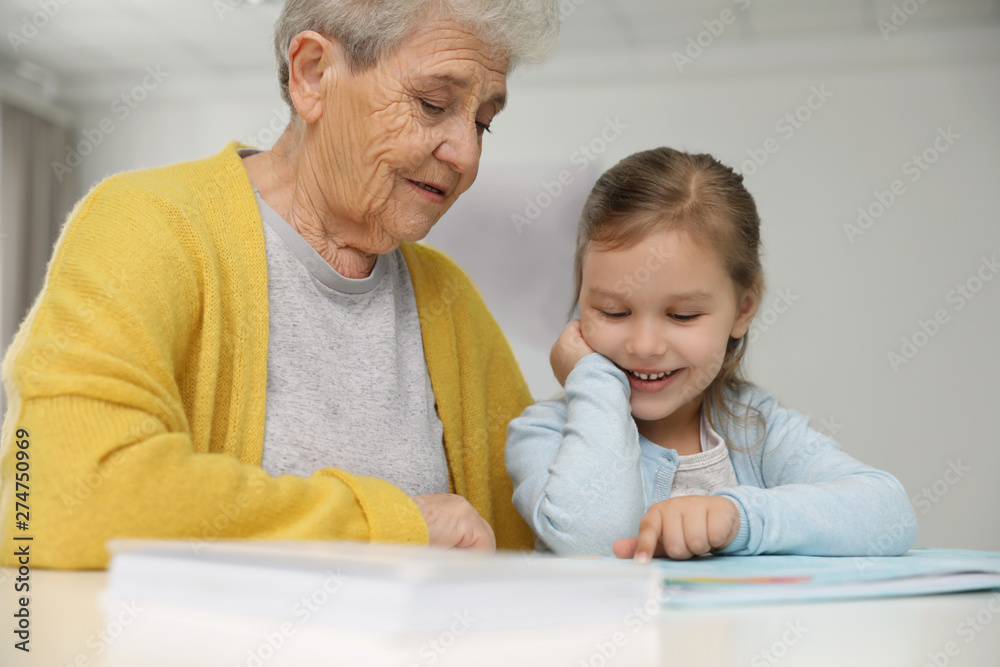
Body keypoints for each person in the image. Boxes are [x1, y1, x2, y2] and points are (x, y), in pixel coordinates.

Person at [0, 0, 560, 569]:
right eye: (433, 103)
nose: (466, 153)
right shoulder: (145, 224)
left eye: (483, 121)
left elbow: (535, 544)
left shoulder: (450, 300)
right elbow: (63, 501)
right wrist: (392, 527)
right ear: (313, 74)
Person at [505, 147, 918, 562]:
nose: (644, 346)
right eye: (613, 311)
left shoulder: (756, 431)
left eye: (682, 315)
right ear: (580, 302)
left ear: (742, 309)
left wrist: (736, 516)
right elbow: (594, 542)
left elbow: (889, 514)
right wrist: (592, 377)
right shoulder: (544, 435)